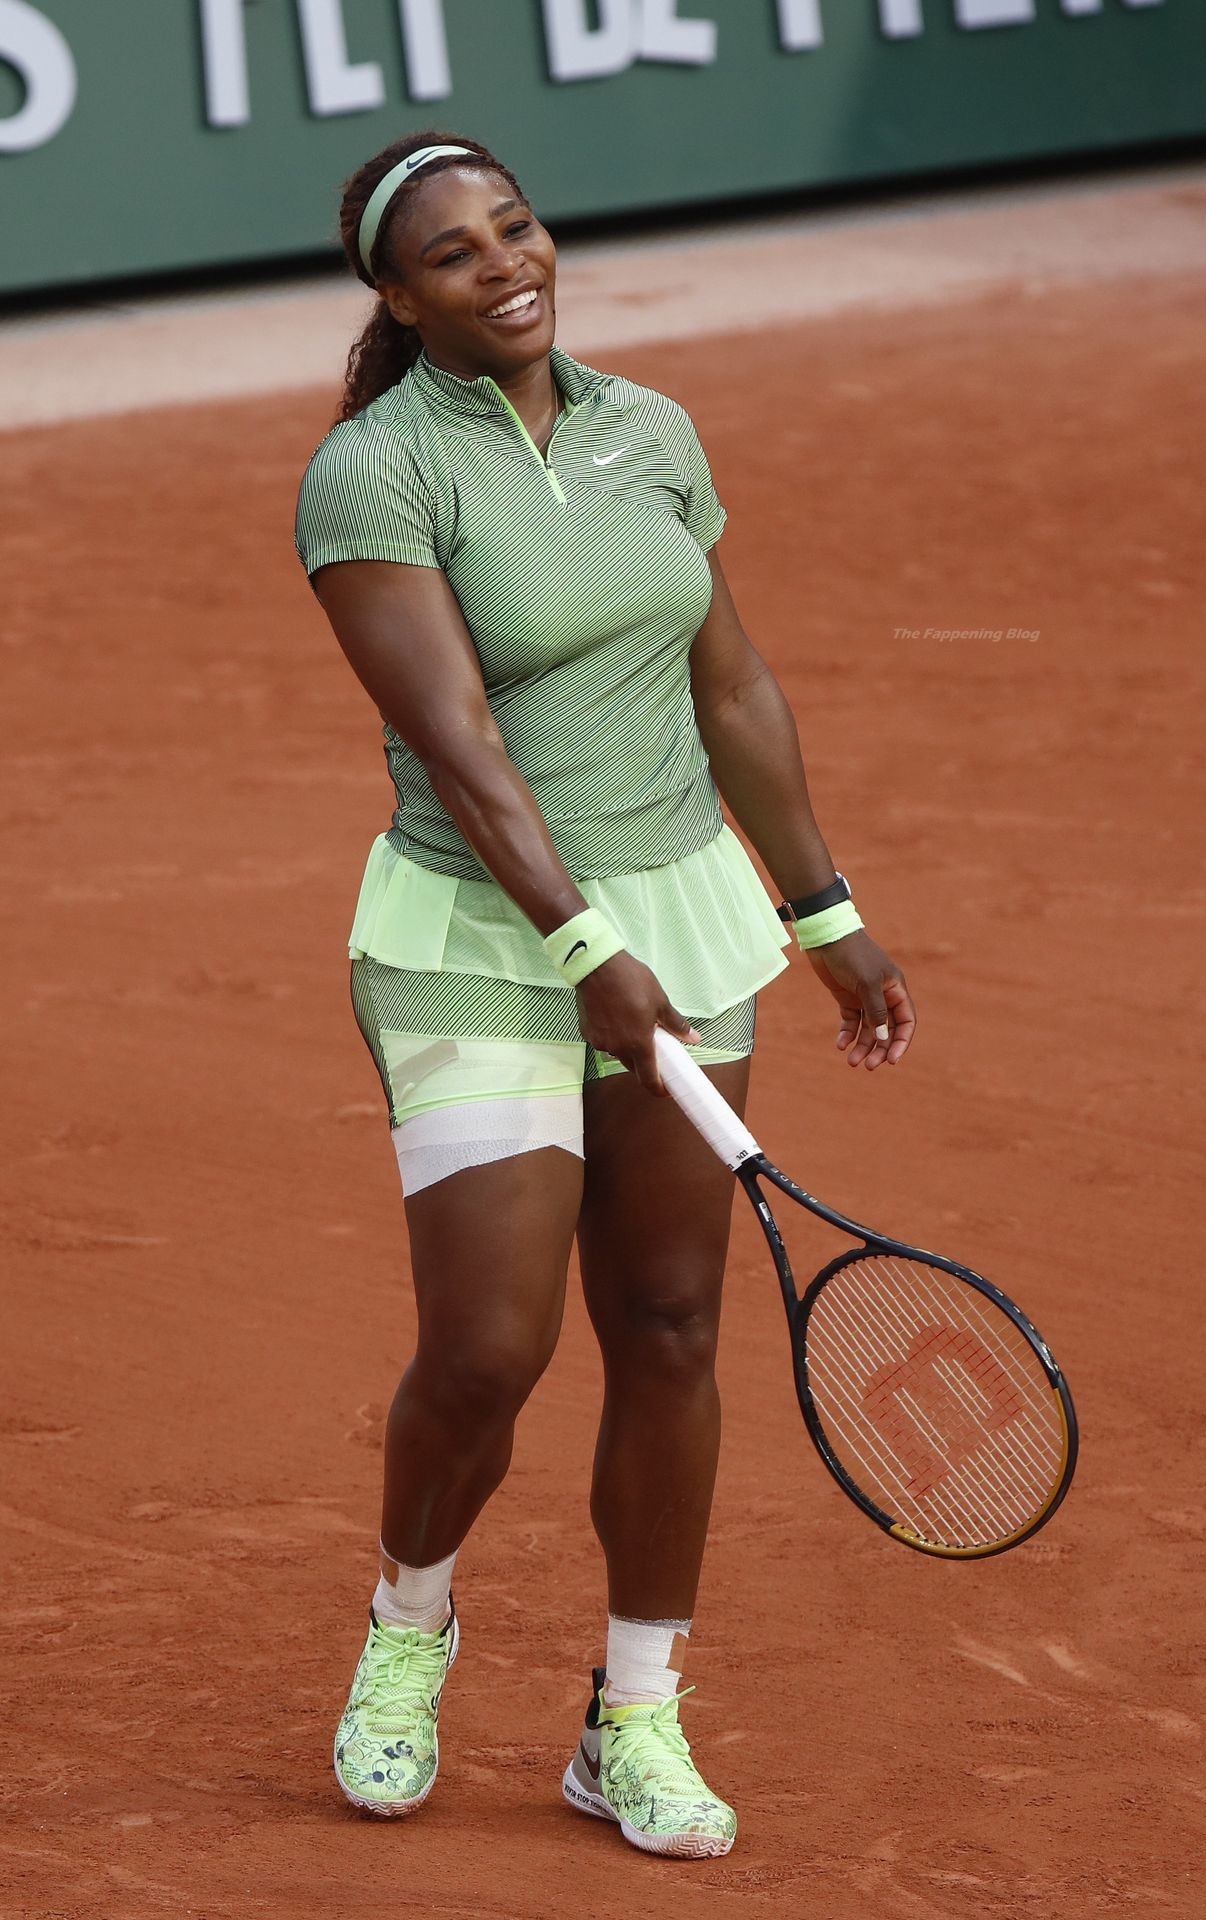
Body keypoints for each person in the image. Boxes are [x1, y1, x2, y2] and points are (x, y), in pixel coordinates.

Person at [294, 129, 916, 1859]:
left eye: (517, 227)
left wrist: (824, 909)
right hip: (478, 938)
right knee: (490, 1347)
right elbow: (460, 749)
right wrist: (582, 950)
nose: (506, 265)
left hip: (681, 925)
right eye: (455, 253)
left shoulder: (653, 430)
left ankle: (632, 1717)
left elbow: (731, 682)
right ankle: (408, 1631)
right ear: (395, 294)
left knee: (667, 1322)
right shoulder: (374, 473)